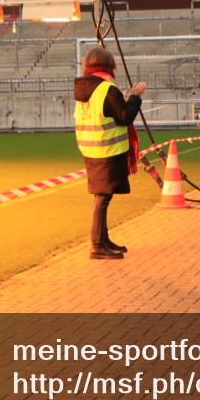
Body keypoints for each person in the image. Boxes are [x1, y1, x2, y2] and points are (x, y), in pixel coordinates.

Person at [73, 47, 146, 260]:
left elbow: (106, 112)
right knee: (102, 198)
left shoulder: (85, 88)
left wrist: (123, 98)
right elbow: (125, 117)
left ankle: (103, 239)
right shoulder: (106, 88)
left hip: (91, 149)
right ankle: (97, 245)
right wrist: (135, 97)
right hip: (108, 150)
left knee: (102, 196)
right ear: (109, 66)